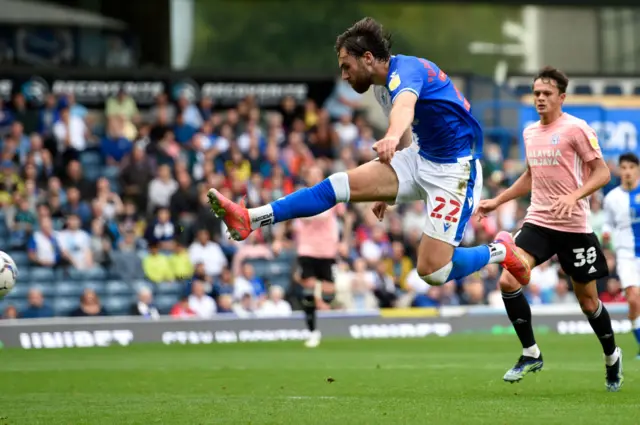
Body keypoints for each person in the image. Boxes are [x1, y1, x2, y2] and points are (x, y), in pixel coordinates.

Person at [207, 17, 530, 296]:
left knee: (433, 272)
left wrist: (389, 137)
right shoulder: (381, 85)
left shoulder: (407, 72)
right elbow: (408, 128)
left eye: (346, 67)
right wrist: (391, 186)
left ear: (368, 58)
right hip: (420, 157)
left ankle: (500, 250)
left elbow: (404, 107)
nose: (344, 76)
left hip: (455, 172)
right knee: (334, 186)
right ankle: (251, 218)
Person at [477, 66, 623, 392]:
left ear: (561, 97)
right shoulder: (530, 133)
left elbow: (601, 173)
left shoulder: (576, 129)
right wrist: (496, 201)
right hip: (539, 221)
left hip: (574, 227)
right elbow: (530, 177)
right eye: (537, 93)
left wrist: (574, 196)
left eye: (547, 94)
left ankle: (612, 356)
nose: (540, 98)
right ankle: (531, 352)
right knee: (508, 279)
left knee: (588, 303)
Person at [293, 165, 344, 348]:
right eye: (311, 174)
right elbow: (301, 217)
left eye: (317, 173)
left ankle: (324, 307)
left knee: (328, 295)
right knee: (308, 291)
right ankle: (312, 331)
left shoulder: (331, 193)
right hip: (307, 248)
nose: (314, 177)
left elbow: (345, 216)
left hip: (327, 250)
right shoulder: (303, 195)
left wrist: (344, 240)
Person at [601, 152, 640, 359]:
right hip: (625, 255)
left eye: (631, 168)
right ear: (619, 171)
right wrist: (606, 233)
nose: (627, 172)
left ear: (638, 170)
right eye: (623, 168)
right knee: (634, 300)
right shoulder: (612, 198)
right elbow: (608, 222)